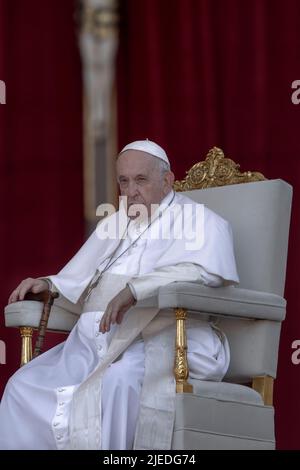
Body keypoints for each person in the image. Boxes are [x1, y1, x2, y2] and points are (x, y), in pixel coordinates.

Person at [0, 139, 239, 450]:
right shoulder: (115, 222)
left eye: (141, 179)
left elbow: (206, 272)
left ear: (167, 181)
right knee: (21, 386)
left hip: (164, 338)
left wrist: (136, 289)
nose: (130, 191)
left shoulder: (202, 221)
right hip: (97, 346)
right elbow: (81, 277)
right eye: (123, 181)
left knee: (117, 381)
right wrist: (51, 285)